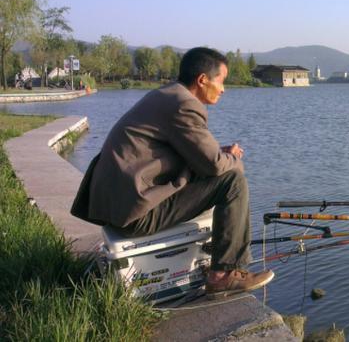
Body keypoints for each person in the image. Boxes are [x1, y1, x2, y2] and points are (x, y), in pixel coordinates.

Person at [71, 47, 274, 299]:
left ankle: (221, 263)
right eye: (221, 81)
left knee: (225, 171)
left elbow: (188, 151)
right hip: (136, 215)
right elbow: (213, 166)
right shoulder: (185, 105)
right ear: (202, 80)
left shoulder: (166, 95)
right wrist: (232, 159)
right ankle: (223, 275)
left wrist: (221, 155)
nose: (224, 89)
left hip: (118, 207)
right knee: (233, 181)